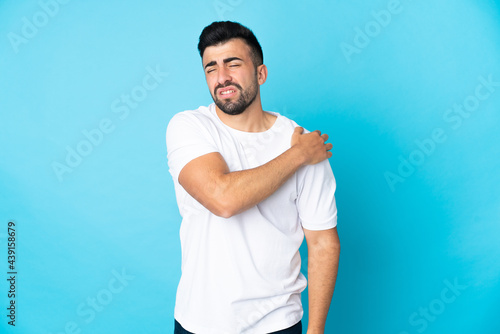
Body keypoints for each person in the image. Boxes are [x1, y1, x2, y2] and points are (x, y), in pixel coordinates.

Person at [166, 21, 340, 334]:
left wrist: (316, 331)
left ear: (260, 73)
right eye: (211, 68)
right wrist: (298, 156)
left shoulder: (297, 138)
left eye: (233, 64)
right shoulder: (189, 127)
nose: (222, 78)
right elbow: (222, 198)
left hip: (278, 323)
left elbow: (323, 242)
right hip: (198, 323)